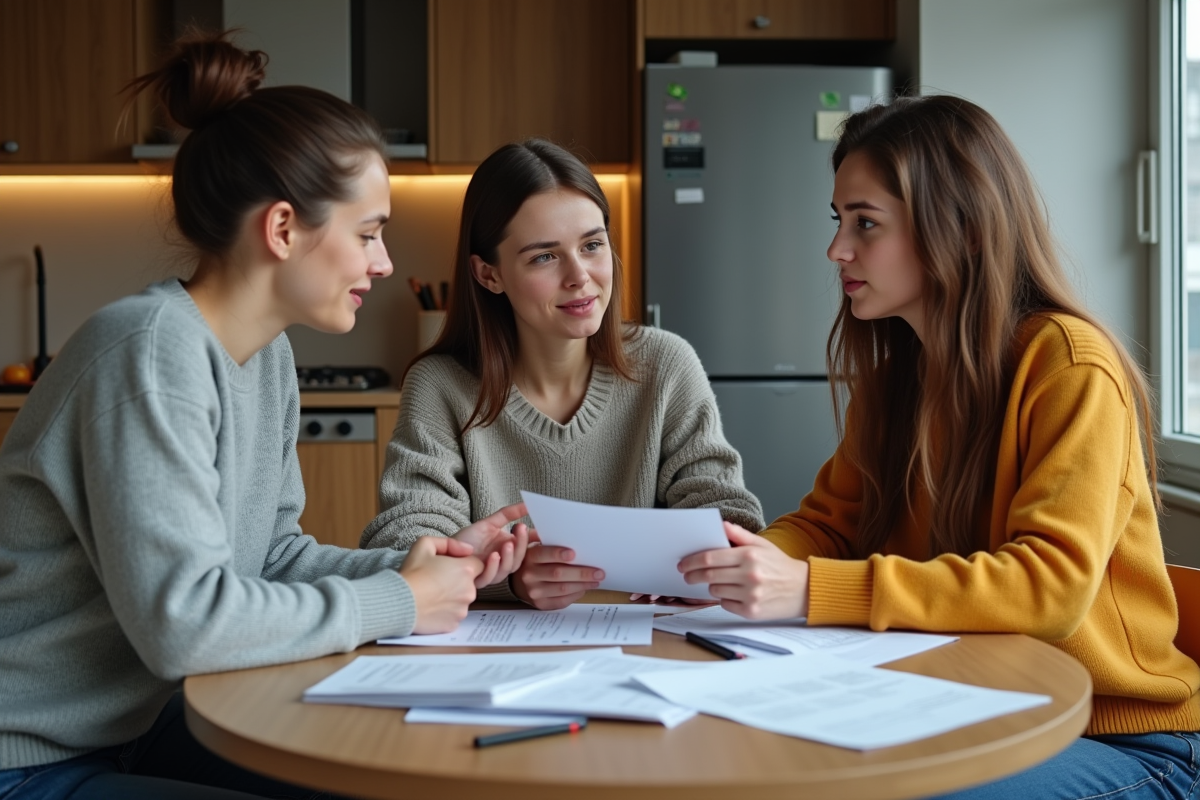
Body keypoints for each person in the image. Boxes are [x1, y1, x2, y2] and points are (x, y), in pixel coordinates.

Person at [0, 32, 528, 800]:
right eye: (369, 232)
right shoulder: (149, 354)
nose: (383, 264)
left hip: (141, 726)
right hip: (33, 754)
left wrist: (433, 567)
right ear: (283, 230)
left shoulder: (267, 355)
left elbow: (271, 557)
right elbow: (186, 627)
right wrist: (400, 601)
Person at [678, 95, 1200, 798]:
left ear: (966, 229)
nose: (837, 249)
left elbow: (1050, 589)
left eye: (866, 224)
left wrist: (808, 589)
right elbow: (830, 525)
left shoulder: (1070, 368)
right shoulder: (897, 381)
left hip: (1121, 735)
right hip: (974, 707)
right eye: (839, 221)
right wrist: (745, 562)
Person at [361, 139, 764, 609]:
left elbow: (729, 514)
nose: (580, 276)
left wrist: (711, 562)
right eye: (544, 257)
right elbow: (402, 542)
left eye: (592, 245)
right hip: (492, 649)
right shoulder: (440, 385)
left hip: (647, 642)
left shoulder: (666, 364)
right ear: (488, 274)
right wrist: (507, 581)